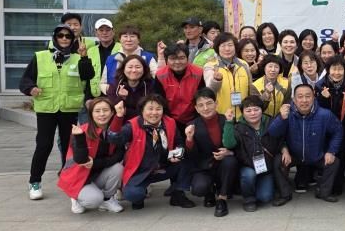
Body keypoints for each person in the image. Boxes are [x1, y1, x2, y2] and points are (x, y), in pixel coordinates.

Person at [20, 25, 94, 200]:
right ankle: (35, 181)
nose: (64, 39)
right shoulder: (40, 57)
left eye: (68, 36)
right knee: (44, 144)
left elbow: (88, 75)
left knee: (70, 145)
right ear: (54, 37)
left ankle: (69, 177)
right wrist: (31, 89)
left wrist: (84, 57)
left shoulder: (78, 58)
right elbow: (25, 79)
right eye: (60, 35)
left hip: (69, 108)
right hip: (47, 108)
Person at [108, 95, 195, 210]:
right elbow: (114, 139)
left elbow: (179, 142)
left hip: (164, 166)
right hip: (141, 170)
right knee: (132, 194)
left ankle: (178, 193)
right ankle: (140, 195)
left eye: (158, 109)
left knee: (186, 157)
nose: (154, 113)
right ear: (142, 110)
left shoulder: (169, 122)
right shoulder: (132, 125)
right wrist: (118, 116)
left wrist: (177, 153)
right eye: (150, 108)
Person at [268, 84, 344, 201]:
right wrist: (281, 118)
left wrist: (331, 151)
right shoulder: (287, 114)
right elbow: (273, 133)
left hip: (317, 155)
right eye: (300, 96)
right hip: (294, 155)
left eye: (308, 96)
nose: (304, 100)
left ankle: (323, 192)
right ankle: (285, 193)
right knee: (278, 161)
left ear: (313, 97)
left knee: (334, 162)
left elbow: (338, 131)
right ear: (294, 99)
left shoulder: (324, 114)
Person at [223, 95, 293, 210]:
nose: (253, 113)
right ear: (243, 112)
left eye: (256, 109)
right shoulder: (239, 127)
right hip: (248, 166)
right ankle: (248, 198)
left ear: (262, 110)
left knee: (265, 197)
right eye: (248, 110)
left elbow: (280, 139)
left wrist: (285, 150)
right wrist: (229, 123)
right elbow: (228, 144)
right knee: (248, 175)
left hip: (266, 168)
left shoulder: (270, 122)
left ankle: (265, 186)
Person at [57, 97, 124, 214]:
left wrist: (96, 163)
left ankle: (107, 200)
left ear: (112, 112)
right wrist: (79, 138)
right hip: (78, 176)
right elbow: (80, 160)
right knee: (94, 200)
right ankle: (76, 197)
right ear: (91, 114)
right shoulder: (81, 131)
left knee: (118, 168)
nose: (102, 114)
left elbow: (119, 155)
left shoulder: (114, 130)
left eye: (105, 110)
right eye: (97, 111)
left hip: (96, 172)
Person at [184, 89, 239, 217]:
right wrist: (189, 139)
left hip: (224, 165)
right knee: (199, 189)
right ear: (196, 109)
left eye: (209, 103)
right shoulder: (192, 126)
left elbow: (239, 144)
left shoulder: (227, 120)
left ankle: (222, 198)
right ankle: (209, 191)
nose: (206, 108)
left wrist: (229, 152)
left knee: (230, 161)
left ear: (216, 103)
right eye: (201, 105)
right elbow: (191, 157)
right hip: (204, 167)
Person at [315, 56, 345, 195]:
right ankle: (326, 182)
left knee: (342, 153)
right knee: (328, 154)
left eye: (340, 69)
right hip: (326, 129)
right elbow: (317, 110)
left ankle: (339, 183)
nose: (337, 72)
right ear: (328, 70)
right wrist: (323, 98)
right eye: (334, 69)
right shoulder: (320, 85)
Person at [205, 33, 261, 120]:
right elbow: (209, 92)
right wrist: (216, 80)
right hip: (222, 117)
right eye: (223, 46)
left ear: (235, 47)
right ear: (217, 48)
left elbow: (250, 89)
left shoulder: (243, 64)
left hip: (243, 116)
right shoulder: (211, 66)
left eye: (230, 45)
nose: (227, 49)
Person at [154, 45, 208, 133]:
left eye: (181, 58)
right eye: (172, 58)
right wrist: (168, 121)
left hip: (195, 118)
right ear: (166, 60)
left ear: (187, 58)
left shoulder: (198, 73)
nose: (177, 62)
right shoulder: (160, 75)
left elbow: (201, 97)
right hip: (169, 120)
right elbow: (159, 100)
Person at [100, 25, 158, 95]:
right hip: (118, 102)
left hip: (144, 101)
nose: (128, 40)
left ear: (138, 40)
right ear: (120, 40)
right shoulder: (111, 59)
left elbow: (158, 78)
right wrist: (115, 92)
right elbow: (103, 83)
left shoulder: (148, 57)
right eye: (125, 36)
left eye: (132, 36)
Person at [107, 55, 156, 121]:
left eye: (138, 67)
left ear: (144, 69)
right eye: (130, 67)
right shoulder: (115, 85)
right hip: (121, 123)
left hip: (144, 122)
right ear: (123, 69)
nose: (134, 70)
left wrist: (126, 111)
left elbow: (152, 111)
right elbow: (113, 110)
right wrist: (121, 97)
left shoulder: (150, 85)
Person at [86, 18, 121, 101]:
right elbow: (87, 76)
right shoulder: (91, 51)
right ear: (96, 33)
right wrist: (88, 99)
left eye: (108, 30)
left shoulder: (122, 48)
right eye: (101, 30)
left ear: (113, 32)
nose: (104, 33)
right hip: (96, 96)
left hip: (117, 95)